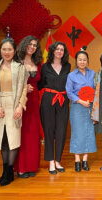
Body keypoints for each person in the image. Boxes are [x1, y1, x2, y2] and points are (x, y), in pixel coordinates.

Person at [0, 38, 28, 186]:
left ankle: (10, 171)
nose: (6, 52)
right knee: (2, 139)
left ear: (14, 51)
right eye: (4, 49)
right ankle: (5, 171)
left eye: (9, 49)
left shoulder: (20, 67)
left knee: (13, 138)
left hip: (14, 103)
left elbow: (24, 88)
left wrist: (19, 106)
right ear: (1, 50)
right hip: (0, 105)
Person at [38, 41, 71, 175]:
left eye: (62, 50)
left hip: (63, 100)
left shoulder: (67, 66)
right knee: (49, 131)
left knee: (61, 131)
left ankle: (58, 160)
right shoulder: (45, 67)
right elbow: (40, 84)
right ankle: (51, 161)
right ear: (52, 51)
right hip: (48, 101)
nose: (59, 51)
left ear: (64, 53)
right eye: (57, 49)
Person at [14, 35, 43, 178]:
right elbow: (10, 81)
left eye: (35, 45)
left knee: (32, 133)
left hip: (34, 101)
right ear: (24, 44)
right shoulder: (16, 61)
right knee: (21, 133)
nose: (32, 47)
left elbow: (42, 81)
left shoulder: (38, 62)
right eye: (30, 44)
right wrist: (24, 87)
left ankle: (31, 166)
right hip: (19, 101)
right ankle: (20, 167)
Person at [66, 48, 97, 172]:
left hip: (90, 107)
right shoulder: (71, 75)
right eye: (80, 60)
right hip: (77, 107)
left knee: (89, 132)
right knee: (77, 133)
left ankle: (85, 160)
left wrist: (92, 102)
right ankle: (77, 160)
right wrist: (80, 101)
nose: (82, 62)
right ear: (76, 61)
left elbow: (96, 89)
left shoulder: (93, 74)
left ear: (87, 61)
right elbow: (69, 92)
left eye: (84, 60)